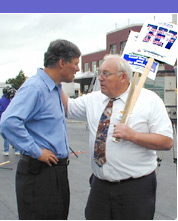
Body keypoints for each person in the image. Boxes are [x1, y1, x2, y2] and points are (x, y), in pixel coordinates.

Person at [62, 54, 173, 220]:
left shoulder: (149, 100)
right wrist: (56, 79)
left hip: (135, 189)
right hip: (100, 186)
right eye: (100, 73)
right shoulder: (94, 99)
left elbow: (166, 141)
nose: (100, 78)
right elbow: (66, 108)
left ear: (123, 77)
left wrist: (133, 135)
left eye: (106, 74)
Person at [0, 39, 81, 220]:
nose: (77, 69)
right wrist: (36, 151)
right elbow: (9, 122)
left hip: (54, 172)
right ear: (62, 62)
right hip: (40, 174)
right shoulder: (36, 87)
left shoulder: (54, 89)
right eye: (75, 63)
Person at [0, 86, 20, 156]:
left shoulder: (2, 100)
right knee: (15, 134)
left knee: (6, 135)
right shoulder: (11, 100)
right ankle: (17, 149)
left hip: (3, 119)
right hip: (11, 118)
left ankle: (6, 150)